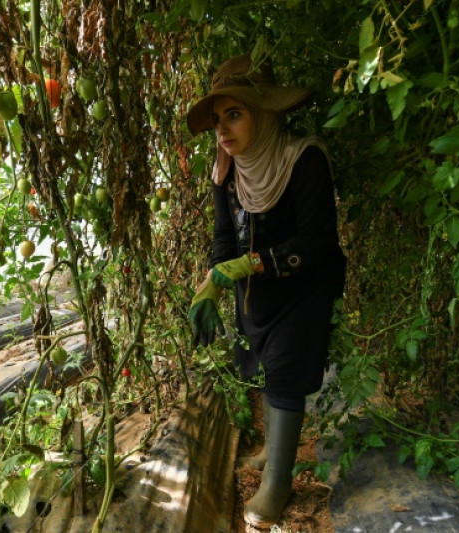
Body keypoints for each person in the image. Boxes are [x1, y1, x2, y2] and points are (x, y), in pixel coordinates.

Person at [186, 55, 346, 527]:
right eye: (217, 119)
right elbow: (222, 239)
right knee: (263, 363)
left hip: (304, 288)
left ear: (268, 114)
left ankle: (277, 481)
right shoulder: (227, 173)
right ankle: (271, 453)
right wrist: (210, 285)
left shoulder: (303, 159)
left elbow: (317, 241)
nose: (222, 130)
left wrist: (246, 265)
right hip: (256, 293)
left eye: (234, 114)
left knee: (285, 370)